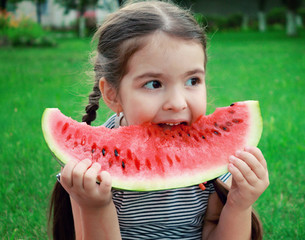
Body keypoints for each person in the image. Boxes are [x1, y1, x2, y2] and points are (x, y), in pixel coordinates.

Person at [48, 1, 269, 239]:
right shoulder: (91, 167)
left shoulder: (219, 167)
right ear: (112, 93)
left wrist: (239, 204)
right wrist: (95, 207)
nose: (177, 102)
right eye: (154, 84)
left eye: (192, 81)